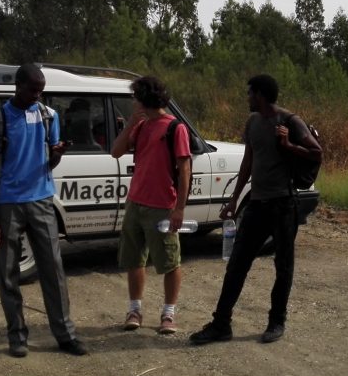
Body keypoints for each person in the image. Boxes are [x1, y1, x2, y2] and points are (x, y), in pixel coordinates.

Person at [190, 74, 322, 345]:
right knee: (237, 264)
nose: (247, 97)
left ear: (260, 94)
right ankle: (221, 324)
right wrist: (233, 200)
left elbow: (316, 152)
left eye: (249, 93)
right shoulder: (252, 122)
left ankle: (277, 322)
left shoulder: (289, 120)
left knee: (283, 266)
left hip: (283, 205)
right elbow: (247, 162)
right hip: (256, 206)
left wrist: (288, 145)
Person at [0, 63, 87, 358]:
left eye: (41, 91)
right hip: (8, 205)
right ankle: (17, 336)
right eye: (33, 90)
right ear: (17, 86)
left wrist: (57, 154)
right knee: (8, 273)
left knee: (53, 270)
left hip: (42, 201)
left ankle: (65, 335)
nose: (38, 95)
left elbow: (49, 163)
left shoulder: (48, 116)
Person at [110, 75, 192, 335]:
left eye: (135, 98)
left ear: (144, 99)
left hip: (162, 206)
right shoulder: (141, 125)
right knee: (134, 260)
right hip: (135, 203)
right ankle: (134, 310)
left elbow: (185, 170)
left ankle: (168, 314)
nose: (133, 102)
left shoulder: (175, 128)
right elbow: (116, 151)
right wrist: (131, 122)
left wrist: (179, 208)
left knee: (169, 261)